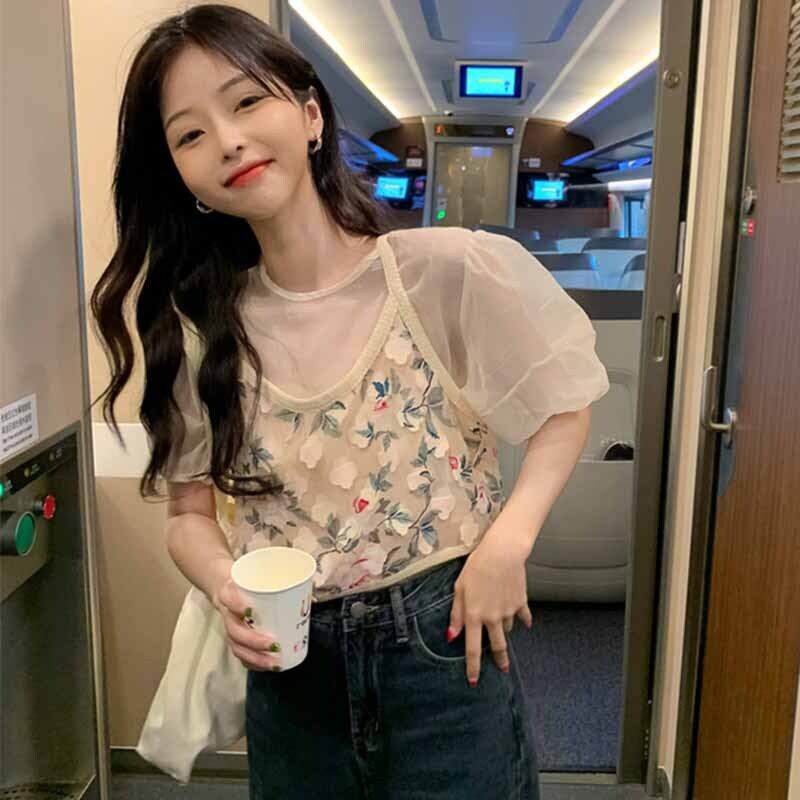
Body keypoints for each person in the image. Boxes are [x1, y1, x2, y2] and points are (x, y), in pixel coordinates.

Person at [91, 5, 609, 798]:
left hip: (444, 649)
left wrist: (508, 543)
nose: (227, 140)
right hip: (293, 678)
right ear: (181, 176)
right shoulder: (204, 330)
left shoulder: (443, 272)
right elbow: (188, 515)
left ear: (309, 117)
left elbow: (565, 404)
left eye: (246, 101)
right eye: (189, 134)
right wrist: (226, 586)